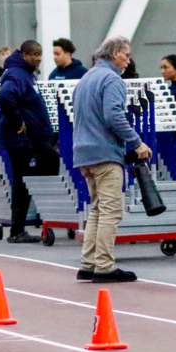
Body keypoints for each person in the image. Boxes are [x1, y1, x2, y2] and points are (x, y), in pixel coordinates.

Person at [73, 36, 152, 283]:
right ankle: (104, 265)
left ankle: (88, 262)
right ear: (115, 53)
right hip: (105, 152)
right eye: (126, 54)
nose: (128, 60)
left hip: (83, 152)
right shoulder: (112, 79)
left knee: (96, 208)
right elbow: (113, 115)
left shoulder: (85, 79)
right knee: (111, 211)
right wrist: (136, 142)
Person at [0, 40, 58, 243]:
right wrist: (17, 121)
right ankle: (19, 229)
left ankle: (20, 227)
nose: (37, 58)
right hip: (22, 141)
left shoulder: (24, 74)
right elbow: (5, 97)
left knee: (24, 181)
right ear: (23, 55)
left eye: (40, 54)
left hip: (28, 138)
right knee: (26, 179)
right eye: (33, 54)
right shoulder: (17, 75)